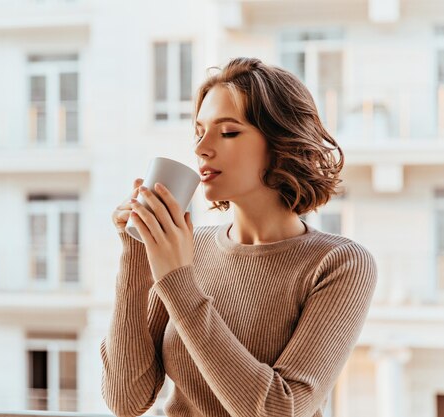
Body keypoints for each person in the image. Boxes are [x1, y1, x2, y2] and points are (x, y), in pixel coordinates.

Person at [101, 57, 377, 417]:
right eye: (199, 131)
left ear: (282, 144)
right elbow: (126, 400)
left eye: (228, 132)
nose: (201, 147)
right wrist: (136, 252)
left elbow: (282, 409)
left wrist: (178, 280)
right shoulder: (189, 248)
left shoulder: (339, 264)